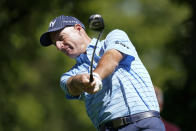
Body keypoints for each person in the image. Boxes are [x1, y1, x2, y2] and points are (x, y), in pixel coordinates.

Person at [40, 15, 165, 131]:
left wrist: (96, 76)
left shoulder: (114, 37)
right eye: (54, 43)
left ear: (78, 29)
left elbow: (113, 57)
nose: (58, 46)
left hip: (144, 124)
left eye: (61, 38)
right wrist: (81, 81)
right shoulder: (68, 75)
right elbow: (71, 85)